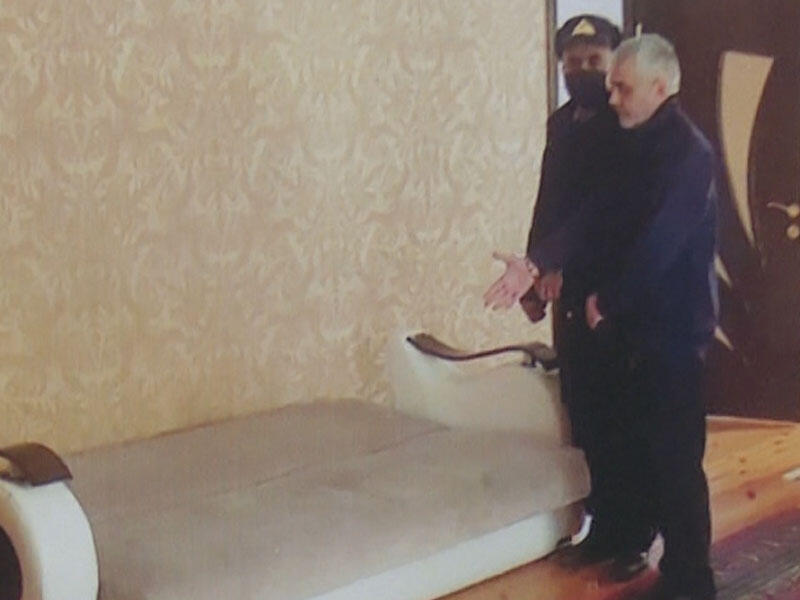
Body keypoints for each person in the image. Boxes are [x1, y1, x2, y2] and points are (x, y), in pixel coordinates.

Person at [485, 34, 718, 600]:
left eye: (622, 87)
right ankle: (624, 538)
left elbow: (661, 244)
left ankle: (691, 581)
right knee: (624, 439)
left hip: (670, 332)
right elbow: (594, 216)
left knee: (675, 460)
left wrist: (607, 300)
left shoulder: (690, 154)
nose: (612, 98)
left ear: (660, 88)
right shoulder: (632, 144)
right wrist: (535, 264)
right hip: (629, 326)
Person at [517, 14, 657, 580]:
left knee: (625, 416)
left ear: (614, 64)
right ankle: (601, 529)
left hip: (614, 292)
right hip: (567, 290)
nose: (582, 72)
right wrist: (533, 272)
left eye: (594, 62)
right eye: (572, 63)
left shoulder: (627, 127)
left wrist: (557, 263)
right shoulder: (560, 124)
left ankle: (634, 538)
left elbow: (608, 215)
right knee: (587, 411)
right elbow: (548, 202)